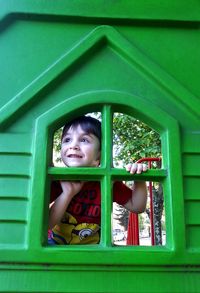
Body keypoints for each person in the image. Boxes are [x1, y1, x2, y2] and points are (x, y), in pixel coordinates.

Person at [48, 115, 147, 245]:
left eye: (84, 140)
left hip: (95, 251)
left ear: (100, 155)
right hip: (57, 246)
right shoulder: (58, 180)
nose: (73, 145)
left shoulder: (107, 180)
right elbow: (46, 224)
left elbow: (138, 206)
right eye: (67, 139)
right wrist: (67, 194)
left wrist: (138, 178)